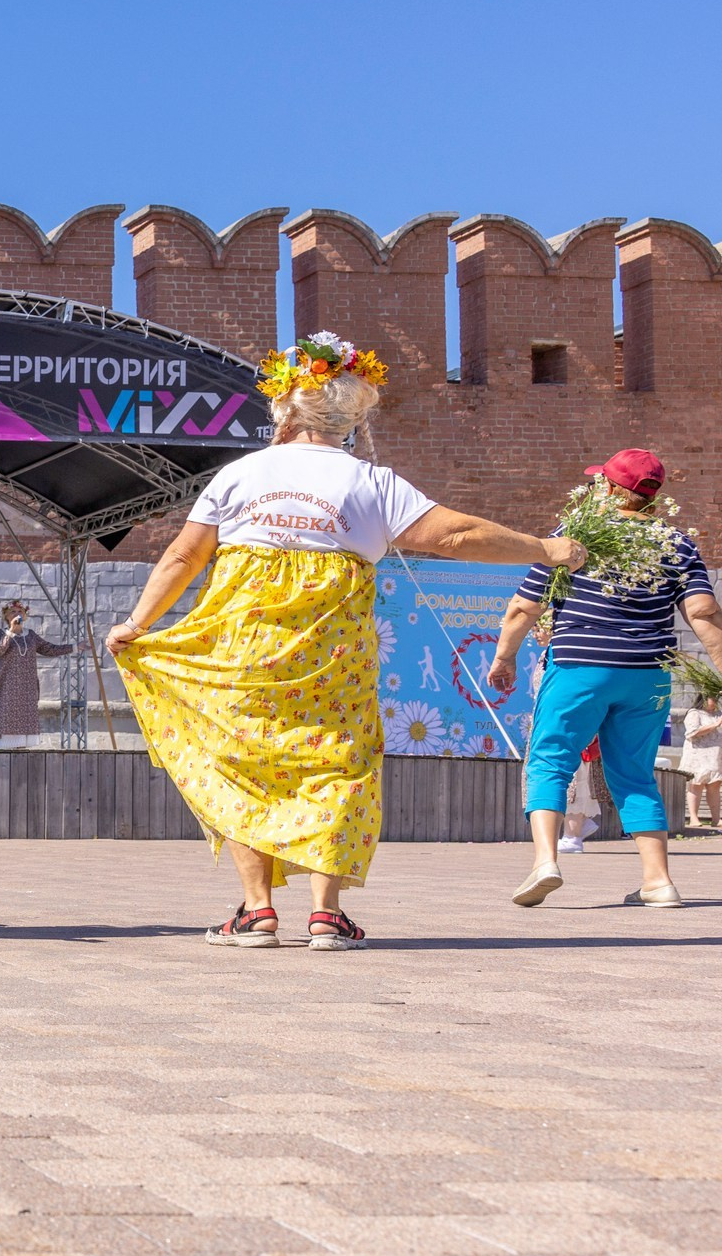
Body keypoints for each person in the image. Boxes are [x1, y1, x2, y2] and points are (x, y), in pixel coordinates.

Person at [109, 331, 580, 950]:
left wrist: (140, 623)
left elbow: (182, 555)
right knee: (337, 759)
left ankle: (257, 912)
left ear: (284, 409)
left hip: (241, 642)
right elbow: (457, 536)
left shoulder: (240, 475)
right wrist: (543, 548)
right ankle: (326, 915)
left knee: (245, 761)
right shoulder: (370, 482)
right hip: (333, 650)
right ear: (354, 417)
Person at [487, 448, 722, 908]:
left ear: (610, 488)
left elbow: (524, 606)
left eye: (599, 482)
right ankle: (658, 882)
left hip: (580, 668)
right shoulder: (678, 544)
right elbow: (703, 611)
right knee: (634, 774)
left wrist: (504, 659)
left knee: (551, 759)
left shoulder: (575, 535)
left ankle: (545, 862)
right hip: (647, 676)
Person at [0, 598, 75, 749]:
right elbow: (0, 650)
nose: (17, 614)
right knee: (7, 718)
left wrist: (74, 647)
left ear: (25, 615)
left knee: (24, 730)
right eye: (13, 612)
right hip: (7, 686)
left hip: (27, 687)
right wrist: (11, 631)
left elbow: (50, 649)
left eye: (20, 611)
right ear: (7, 616)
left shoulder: (31, 636)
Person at [682, 693, 722, 830]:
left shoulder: (718, 714)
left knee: (714, 785)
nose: (715, 702)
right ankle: (694, 818)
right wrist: (715, 725)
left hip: (715, 755)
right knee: (696, 785)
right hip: (697, 755)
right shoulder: (694, 713)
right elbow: (692, 733)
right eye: (713, 699)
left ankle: (716, 818)